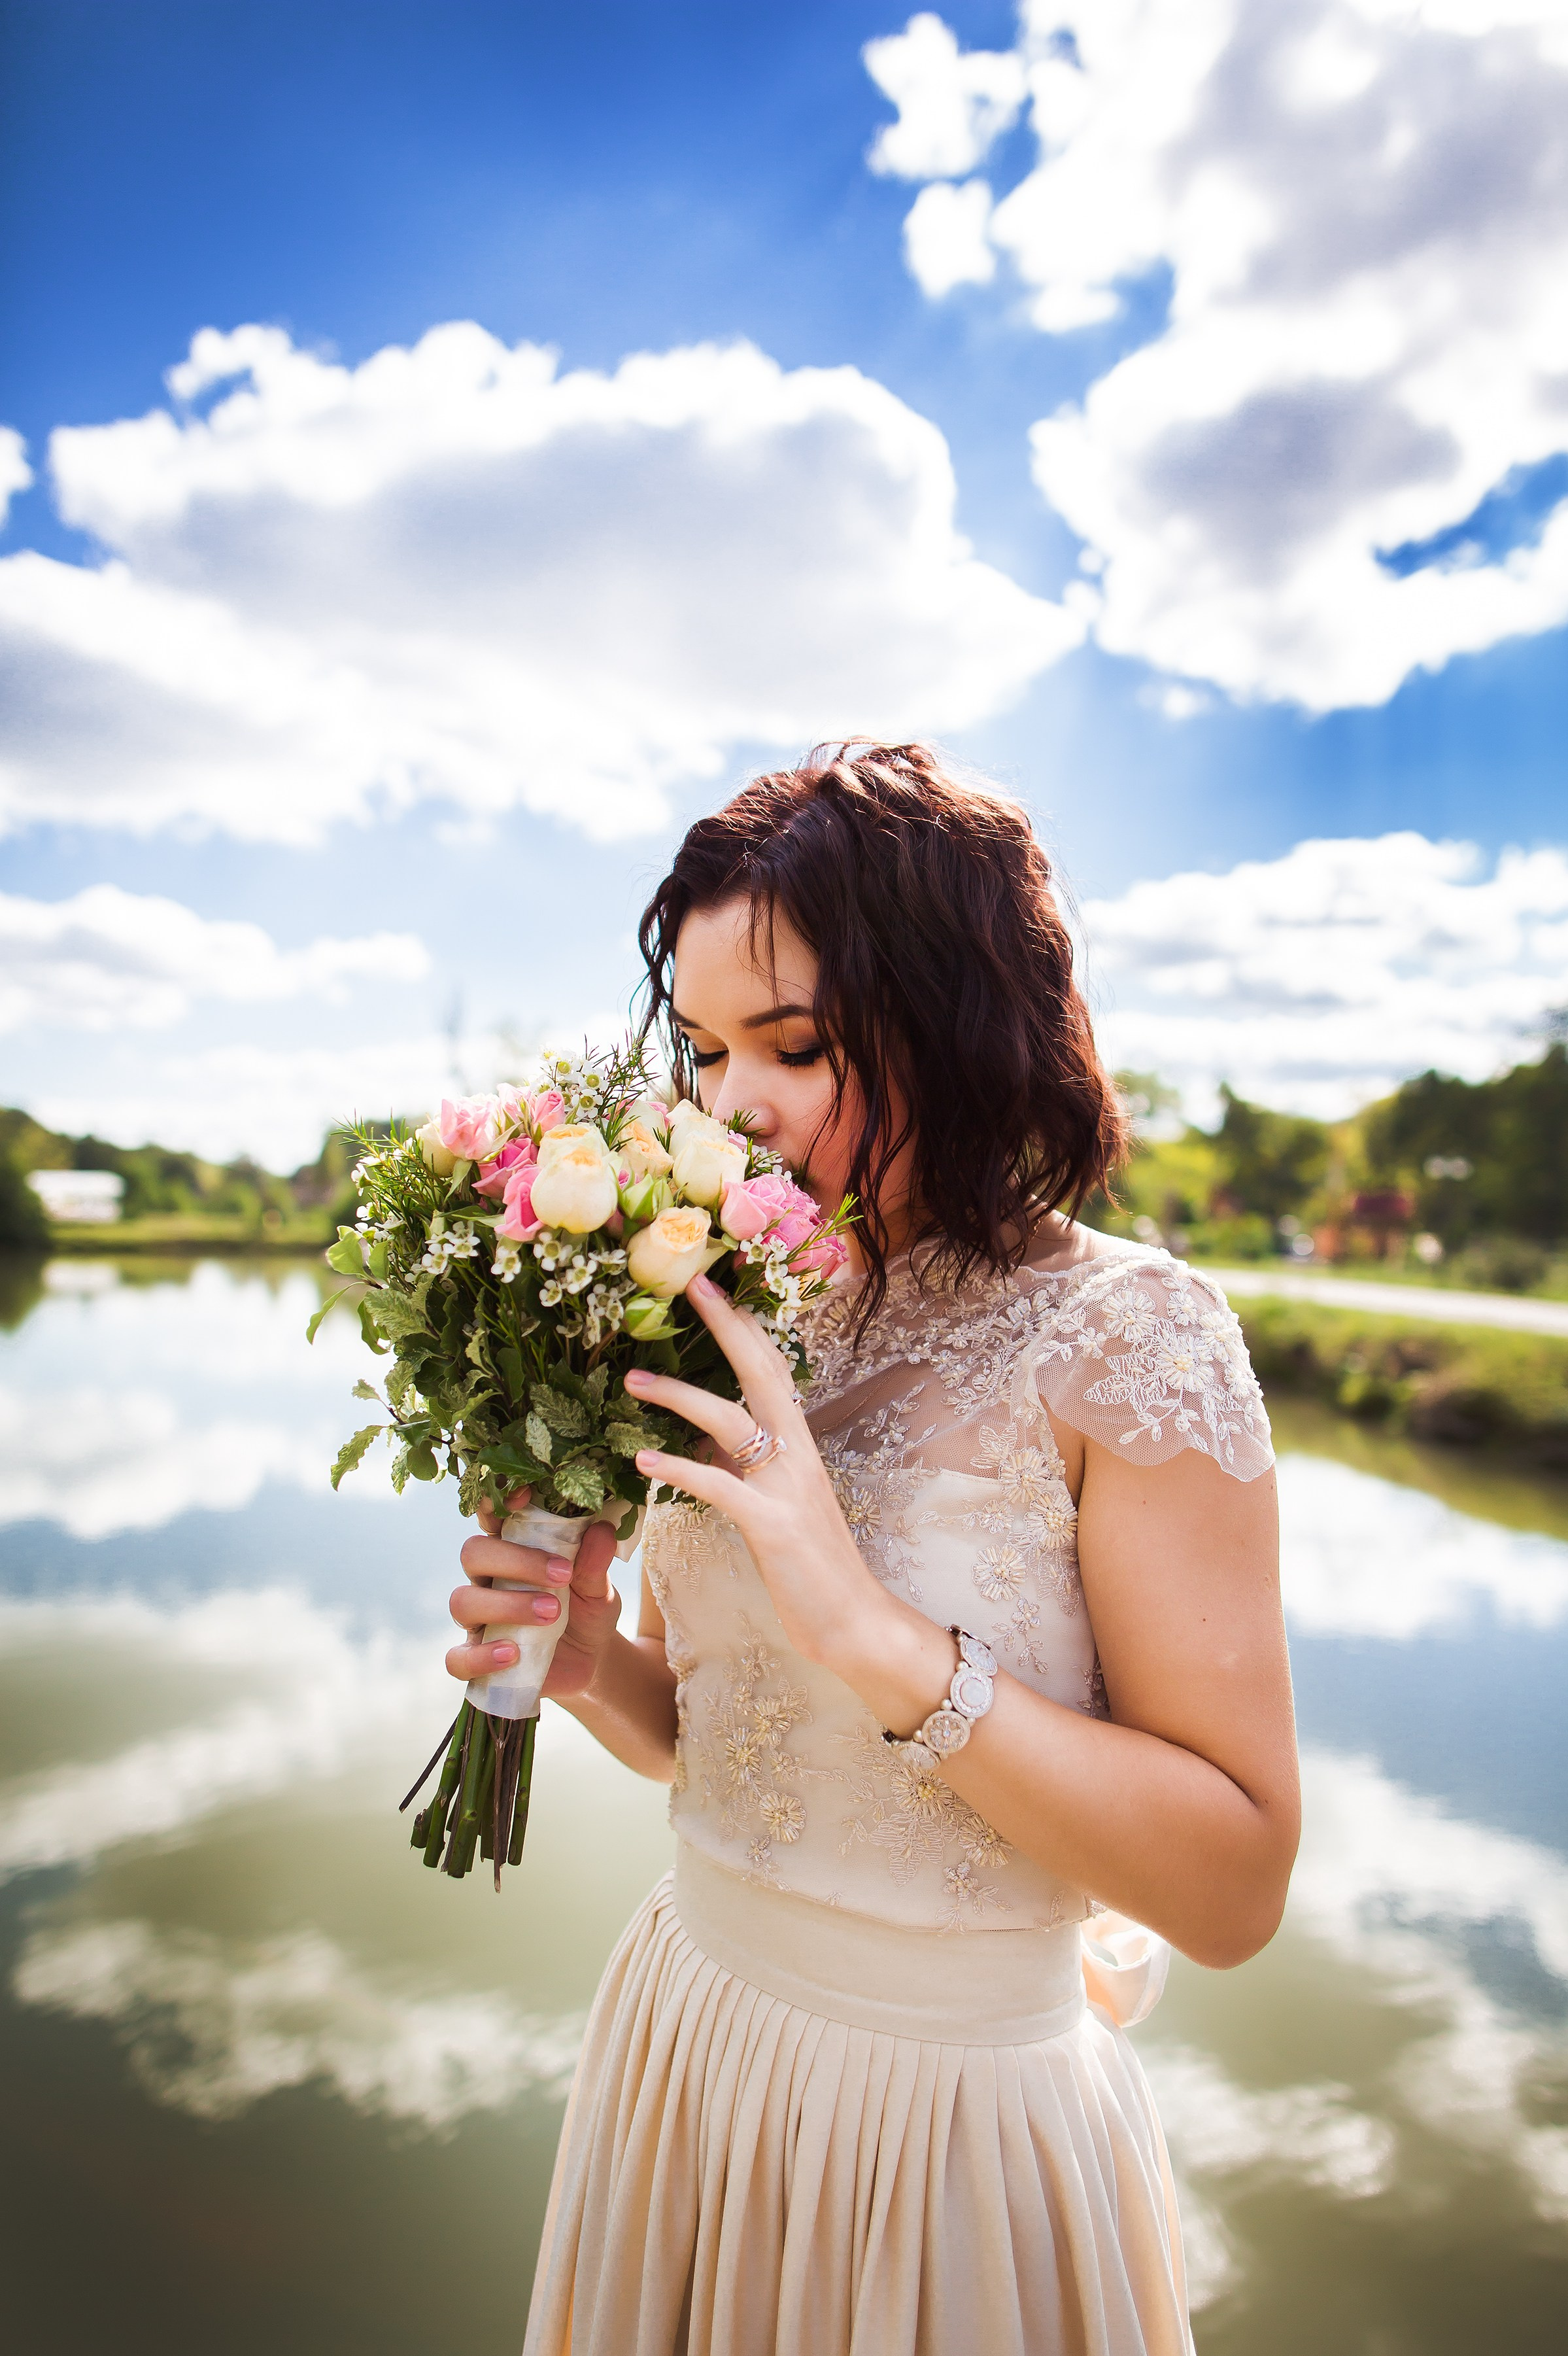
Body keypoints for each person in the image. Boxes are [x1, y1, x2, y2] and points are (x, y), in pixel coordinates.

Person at [445, 742, 1299, 2356]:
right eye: (703, 1050)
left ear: (960, 1016)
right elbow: (740, 1749)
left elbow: (1236, 1879)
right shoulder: (747, 1302)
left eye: (796, 1043)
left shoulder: (1131, 1339)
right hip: (687, 2040)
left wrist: (881, 1637)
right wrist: (590, 1666)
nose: (728, 1106)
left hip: (946, 2136)